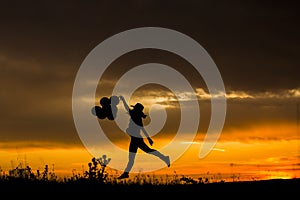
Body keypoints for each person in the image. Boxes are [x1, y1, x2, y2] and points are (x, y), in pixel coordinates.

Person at [117, 96, 170, 179]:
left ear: (137, 110)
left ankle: (165, 158)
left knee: (142, 153)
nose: (133, 110)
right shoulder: (134, 115)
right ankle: (126, 173)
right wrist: (123, 100)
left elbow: (142, 128)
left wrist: (149, 138)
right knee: (141, 154)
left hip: (137, 139)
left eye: (135, 109)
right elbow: (127, 109)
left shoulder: (136, 118)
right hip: (134, 139)